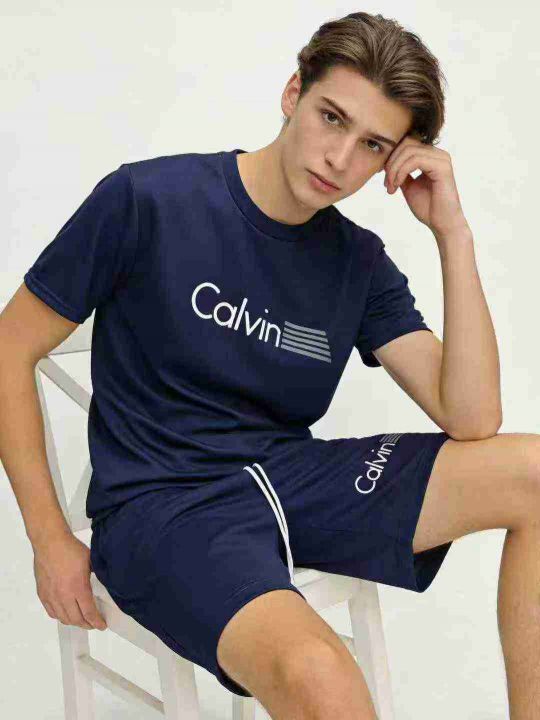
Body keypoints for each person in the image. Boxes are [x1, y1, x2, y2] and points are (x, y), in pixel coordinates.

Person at [1, 11, 537, 719]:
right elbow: (9, 349)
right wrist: (48, 538)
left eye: (372, 144)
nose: (339, 157)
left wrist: (453, 233)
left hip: (289, 480)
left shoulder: (358, 262)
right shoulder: (148, 201)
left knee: (534, 474)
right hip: (165, 506)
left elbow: (472, 418)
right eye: (331, 117)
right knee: (320, 676)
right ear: (293, 93)